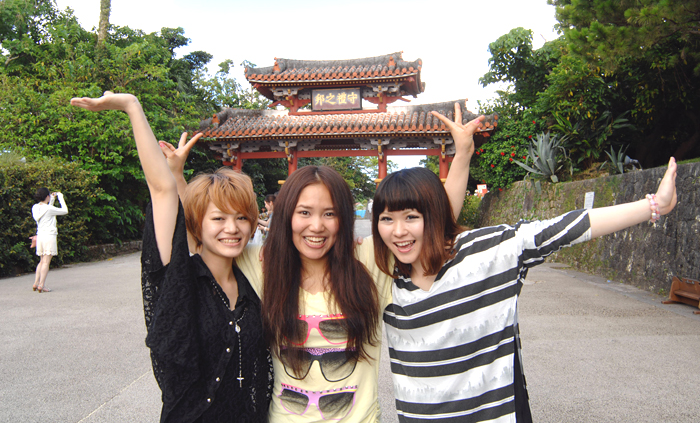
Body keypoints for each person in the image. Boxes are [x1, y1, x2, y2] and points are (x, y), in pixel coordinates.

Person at [161, 102, 485, 422]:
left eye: (329, 214)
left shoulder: (369, 260)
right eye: (304, 212)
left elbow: (434, 226)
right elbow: (202, 231)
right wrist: (176, 177)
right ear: (287, 216)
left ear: (343, 219)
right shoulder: (263, 264)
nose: (316, 226)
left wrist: (462, 154)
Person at [371, 157, 678, 422]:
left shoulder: (485, 253)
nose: (398, 231)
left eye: (411, 217)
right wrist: (462, 151)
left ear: (435, 215)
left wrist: (652, 206)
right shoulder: (383, 274)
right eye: (387, 219)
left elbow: (562, 229)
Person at [70, 92, 272, 423]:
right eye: (218, 218)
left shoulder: (254, 279)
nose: (232, 228)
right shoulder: (181, 279)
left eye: (241, 218)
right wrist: (132, 106)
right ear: (198, 224)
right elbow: (162, 190)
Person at [31, 188, 68, 293]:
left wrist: (51, 200)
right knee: (46, 262)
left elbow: (46, 209)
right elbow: (65, 210)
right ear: (47, 196)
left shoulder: (35, 207)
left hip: (40, 236)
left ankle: (36, 283)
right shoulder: (49, 209)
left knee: (41, 261)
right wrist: (60, 197)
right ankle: (41, 285)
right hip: (49, 236)